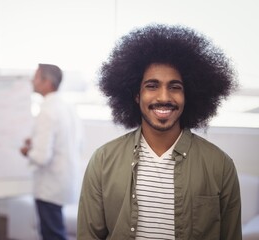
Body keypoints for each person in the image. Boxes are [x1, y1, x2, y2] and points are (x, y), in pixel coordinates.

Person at [78, 24, 241, 240]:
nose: (164, 97)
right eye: (152, 86)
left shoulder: (220, 166)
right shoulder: (103, 161)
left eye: (175, 87)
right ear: (136, 95)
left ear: (189, 94)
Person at [20, 64, 82, 240]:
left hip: (49, 187)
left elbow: (41, 157)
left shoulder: (47, 110)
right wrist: (36, 143)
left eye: (36, 77)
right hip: (63, 181)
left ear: (47, 83)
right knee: (55, 231)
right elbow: (71, 142)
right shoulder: (67, 107)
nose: (32, 80)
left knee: (52, 234)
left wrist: (27, 151)